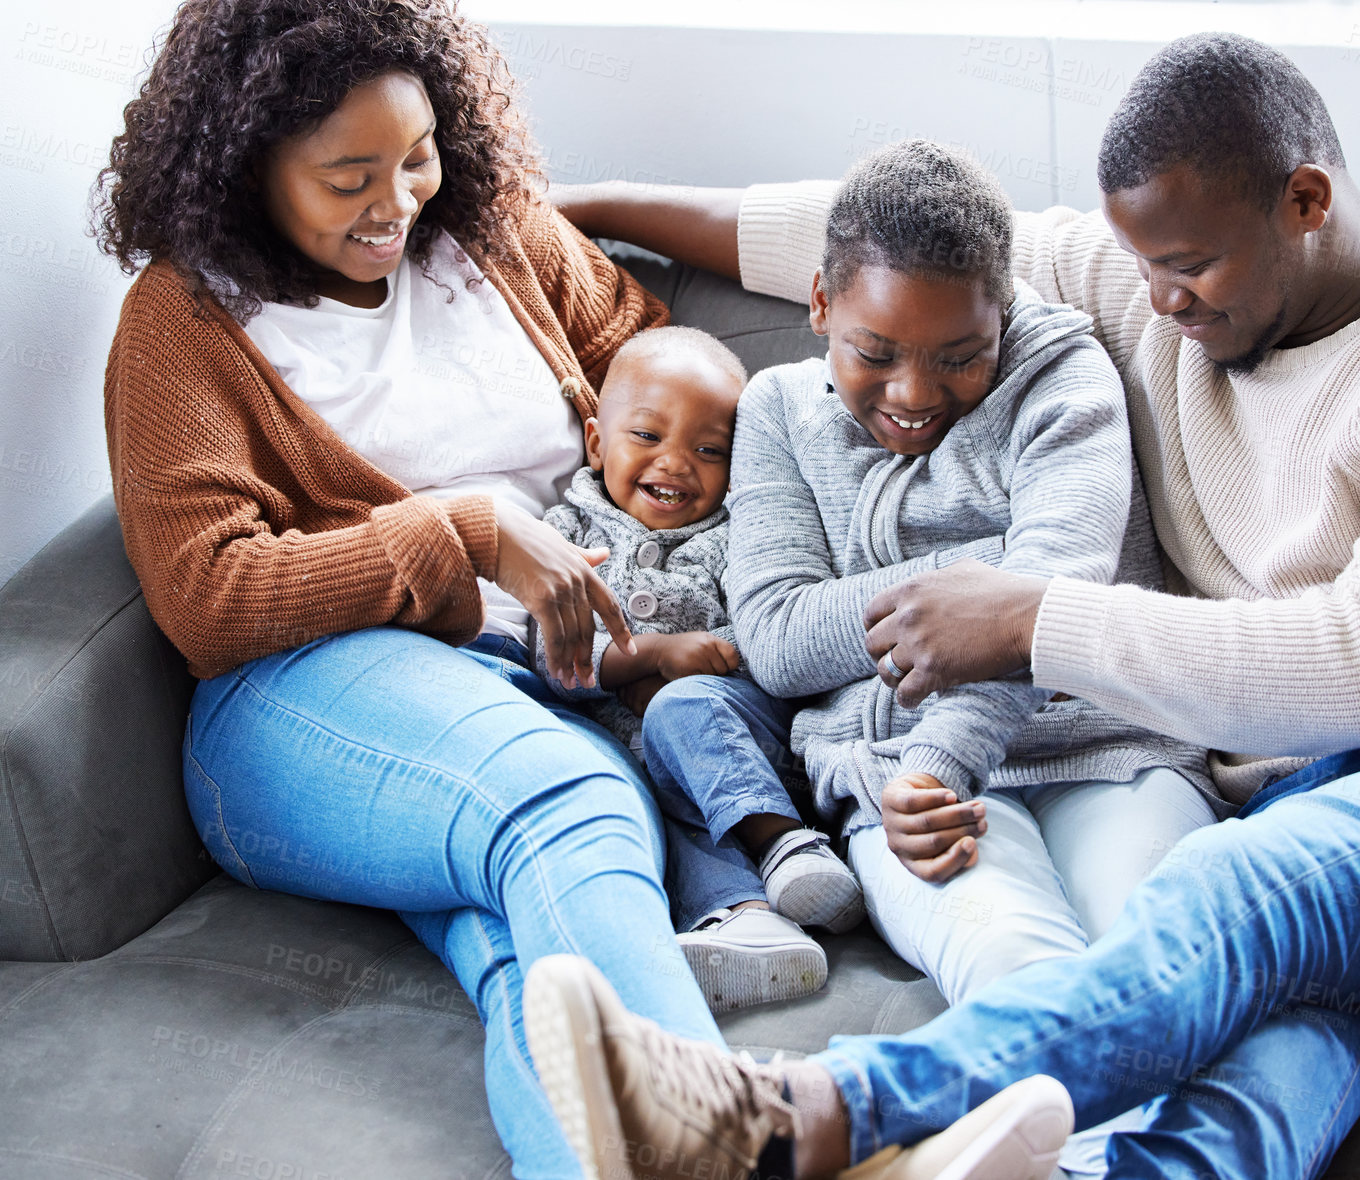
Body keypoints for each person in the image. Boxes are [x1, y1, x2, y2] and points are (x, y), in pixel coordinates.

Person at [522, 31, 1360, 1180]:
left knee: (1239, 884)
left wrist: (1032, 619)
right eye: (1142, 267)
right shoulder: (1160, 282)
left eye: (1187, 268)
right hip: (1338, 798)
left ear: (1304, 199)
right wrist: (557, 205)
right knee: (1249, 1078)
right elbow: (839, 227)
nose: (1159, 303)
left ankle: (794, 1119)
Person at [93, 1, 730, 1175]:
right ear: (247, 164)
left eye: (419, 155)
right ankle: (757, 1143)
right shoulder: (183, 323)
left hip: (539, 683)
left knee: (535, 949)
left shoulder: (487, 238)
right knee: (569, 807)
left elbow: (647, 358)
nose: (397, 202)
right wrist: (469, 533)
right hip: (299, 697)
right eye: (349, 176)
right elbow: (206, 594)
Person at [721, 139, 1214, 1029]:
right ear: (822, 304)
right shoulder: (774, 411)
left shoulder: (1062, 377)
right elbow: (779, 639)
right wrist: (988, 572)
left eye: (960, 356)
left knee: (1159, 960)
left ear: (1004, 317)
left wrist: (945, 747)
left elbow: (1044, 613)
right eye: (874, 351)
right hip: (894, 782)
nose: (915, 391)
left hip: (1105, 747)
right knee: (1013, 967)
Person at [528, 324, 866, 1012]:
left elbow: (769, 631)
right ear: (596, 442)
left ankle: (786, 845)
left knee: (679, 712)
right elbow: (550, 651)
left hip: (735, 730)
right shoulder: (563, 535)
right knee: (643, 802)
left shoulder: (735, 534)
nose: (676, 463)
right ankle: (748, 921)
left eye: (708, 450)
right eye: (647, 437)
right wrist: (644, 657)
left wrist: (695, 657)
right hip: (644, 759)